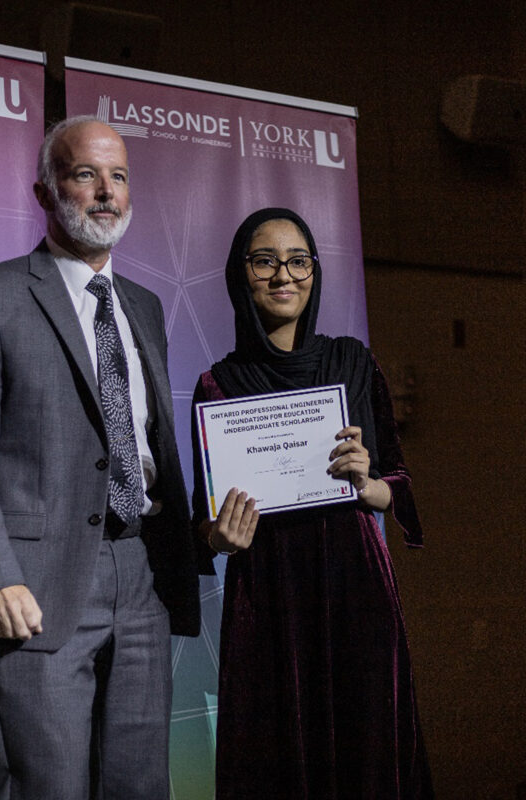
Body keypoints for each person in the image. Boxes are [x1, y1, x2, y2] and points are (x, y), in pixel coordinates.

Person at [0, 116, 202, 799]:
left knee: (139, 787)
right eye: (86, 174)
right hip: (38, 586)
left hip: (144, 576)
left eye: (119, 177)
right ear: (45, 191)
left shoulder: (145, 305)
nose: (107, 192)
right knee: (49, 787)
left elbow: (147, 446)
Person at [192, 208, 433, 799]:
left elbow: (395, 482)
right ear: (238, 274)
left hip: (354, 584)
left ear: (314, 273)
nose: (283, 276)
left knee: (367, 745)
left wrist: (366, 481)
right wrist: (220, 537)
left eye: (298, 260)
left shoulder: (353, 360)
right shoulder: (216, 385)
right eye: (264, 260)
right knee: (273, 757)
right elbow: (203, 523)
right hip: (267, 593)